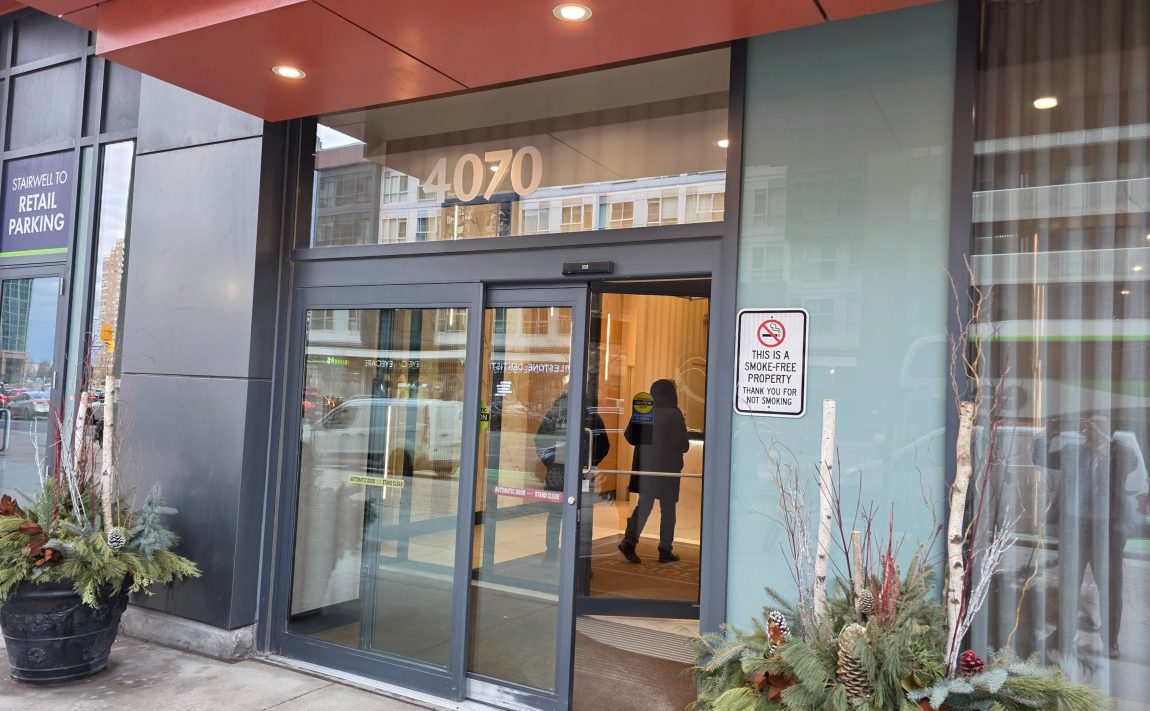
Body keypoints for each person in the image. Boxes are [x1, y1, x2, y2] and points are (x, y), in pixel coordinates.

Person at [1049, 414, 1143, 659]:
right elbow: (1040, 457)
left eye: (1097, 424)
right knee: (1069, 584)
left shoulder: (1117, 453)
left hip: (1108, 530)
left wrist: (1105, 439)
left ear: (1108, 429)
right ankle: (1064, 635)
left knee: (1109, 587)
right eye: (1088, 423)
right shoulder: (1072, 451)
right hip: (1076, 528)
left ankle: (1110, 642)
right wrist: (1051, 432)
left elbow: (1132, 461)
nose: (1089, 428)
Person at [618, 379, 690, 564]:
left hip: (646, 468)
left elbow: (630, 436)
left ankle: (629, 541)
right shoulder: (674, 414)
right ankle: (665, 551)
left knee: (643, 506)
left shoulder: (645, 410)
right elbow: (683, 445)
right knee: (668, 510)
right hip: (667, 470)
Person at [535, 392, 610, 561]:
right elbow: (604, 445)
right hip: (582, 472)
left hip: (556, 473)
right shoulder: (591, 416)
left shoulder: (553, 415)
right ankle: (579, 559)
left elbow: (539, 441)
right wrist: (589, 463)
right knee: (582, 516)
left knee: (555, 515)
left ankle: (551, 554)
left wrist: (550, 462)